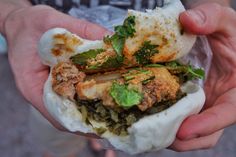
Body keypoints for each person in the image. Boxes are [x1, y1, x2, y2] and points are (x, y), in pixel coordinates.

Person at [0, 0, 235, 156]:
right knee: (55, 139)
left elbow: (207, 5)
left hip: (163, 52)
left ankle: (97, 140)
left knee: (106, 128)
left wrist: (211, 13)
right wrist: (12, 15)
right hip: (42, 71)